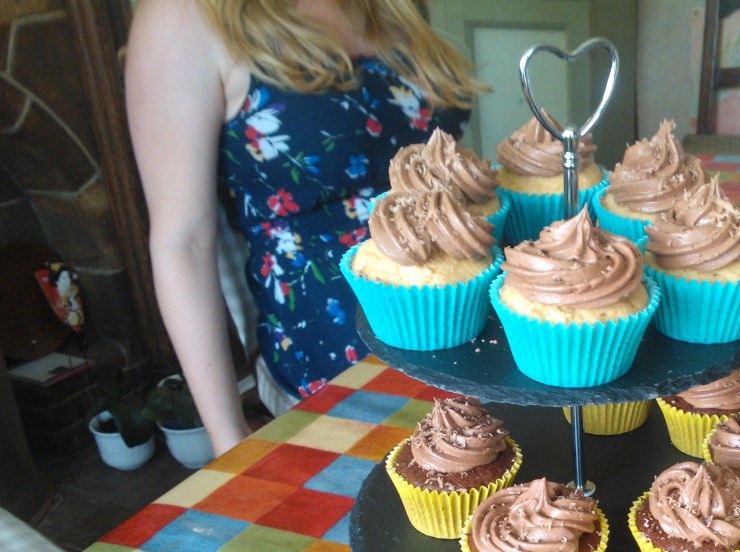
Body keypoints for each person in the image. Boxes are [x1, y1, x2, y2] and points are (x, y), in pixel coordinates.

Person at [126, 0, 485, 455]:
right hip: (338, 376)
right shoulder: (183, 14)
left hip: (467, 336)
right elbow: (184, 242)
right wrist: (229, 440)